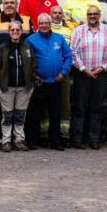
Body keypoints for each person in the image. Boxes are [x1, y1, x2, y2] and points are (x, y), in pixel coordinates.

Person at [69, 5, 107, 149]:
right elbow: (73, 52)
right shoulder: (78, 31)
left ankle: (94, 138)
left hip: (100, 75)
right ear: (86, 16)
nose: (93, 16)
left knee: (96, 108)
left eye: (95, 14)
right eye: (90, 14)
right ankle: (77, 138)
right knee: (80, 107)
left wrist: (102, 68)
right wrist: (83, 69)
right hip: (82, 74)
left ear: (99, 15)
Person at [26, 13, 73, 150]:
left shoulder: (59, 38)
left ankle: (55, 141)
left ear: (51, 23)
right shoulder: (30, 40)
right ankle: (33, 141)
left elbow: (69, 56)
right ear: (37, 25)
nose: (44, 25)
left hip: (56, 81)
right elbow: (27, 61)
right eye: (41, 23)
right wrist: (34, 76)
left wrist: (63, 72)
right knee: (35, 113)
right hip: (40, 83)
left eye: (47, 23)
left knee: (55, 113)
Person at [0, 21, 36, 152]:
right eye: (13, 30)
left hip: (24, 88)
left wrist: (32, 84)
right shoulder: (3, 48)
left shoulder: (27, 48)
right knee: (7, 115)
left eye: (18, 30)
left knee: (20, 115)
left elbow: (33, 66)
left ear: (21, 31)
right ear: (9, 31)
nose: (15, 32)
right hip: (6, 88)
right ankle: (6, 141)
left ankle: (19, 140)